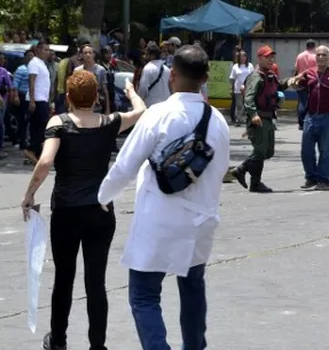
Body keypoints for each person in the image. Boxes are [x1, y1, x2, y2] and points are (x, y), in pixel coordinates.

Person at [98, 44, 230, 350]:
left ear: (172, 76)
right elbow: (221, 169)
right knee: (193, 286)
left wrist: (103, 196)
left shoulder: (159, 114)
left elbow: (125, 166)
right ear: (205, 78)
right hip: (202, 220)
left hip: (160, 219)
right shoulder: (218, 121)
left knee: (144, 294)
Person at [21, 71, 145, 350]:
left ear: (68, 98)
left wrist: (30, 194)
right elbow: (141, 111)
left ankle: (59, 340)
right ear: (97, 97)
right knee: (96, 281)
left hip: (66, 211)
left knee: (64, 278)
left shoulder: (59, 123)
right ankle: (97, 345)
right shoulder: (110, 122)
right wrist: (130, 91)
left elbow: (45, 162)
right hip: (100, 211)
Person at [229, 45, 286, 193]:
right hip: (258, 119)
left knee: (268, 152)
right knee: (260, 152)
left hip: (268, 118)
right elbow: (248, 98)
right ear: (259, 58)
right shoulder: (256, 76)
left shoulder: (270, 75)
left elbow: (278, 87)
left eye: (272, 57)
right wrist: (253, 114)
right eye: (267, 57)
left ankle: (243, 171)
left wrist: (293, 81)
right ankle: (253, 180)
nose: (271, 60)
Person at [291, 45, 329, 190]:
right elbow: (298, 85)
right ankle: (311, 177)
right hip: (311, 116)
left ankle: (324, 180)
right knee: (306, 150)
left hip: (328, 117)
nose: (321, 57)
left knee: (326, 151)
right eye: (318, 55)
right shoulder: (309, 73)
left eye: (324, 55)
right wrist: (294, 82)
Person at [26, 39, 53, 161]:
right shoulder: (34, 63)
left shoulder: (42, 63)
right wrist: (32, 100)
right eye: (44, 49)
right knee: (43, 127)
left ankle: (35, 153)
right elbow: (31, 82)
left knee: (38, 127)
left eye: (48, 50)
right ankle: (31, 149)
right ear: (37, 50)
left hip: (43, 99)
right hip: (37, 99)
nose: (47, 52)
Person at [75, 44, 111, 114]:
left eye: (90, 52)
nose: (88, 55)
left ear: (94, 55)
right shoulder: (77, 71)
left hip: (96, 107)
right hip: (81, 107)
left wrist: (108, 109)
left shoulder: (101, 70)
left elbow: (105, 91)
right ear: (81, 55)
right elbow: (74, 90)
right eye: (85, 53)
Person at [294, 39, 317, 130]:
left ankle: (301, 123)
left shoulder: (300, 56)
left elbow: (296, 68)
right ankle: (309, 121)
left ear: (306, 46)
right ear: (314, 46)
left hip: (301, 80)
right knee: (311, 101)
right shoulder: (315, 56)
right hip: (312, 81)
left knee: (301, 102)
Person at [229, 50, 254, 126]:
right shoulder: (235, 66)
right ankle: (239, 119)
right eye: (241, 57)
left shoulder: (250, 66)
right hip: (238, 89)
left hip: (248, 88)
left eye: (244, 56)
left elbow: (253, 77)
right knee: (239, 105)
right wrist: (231, 88)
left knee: (247, 104)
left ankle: (245, 118)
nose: (243, 58)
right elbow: (232, 78)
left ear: (246, 57)